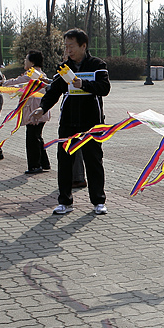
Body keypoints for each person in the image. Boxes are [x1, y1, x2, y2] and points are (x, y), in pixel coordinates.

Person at [41, 28, 111, 216]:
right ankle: (65, 202)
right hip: (68, 122)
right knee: (65, 163)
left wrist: (84, 84)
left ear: (83, 46)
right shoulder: (64, 68)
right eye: (66, 46)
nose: (68, 50)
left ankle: (98, 201)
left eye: (71, 46)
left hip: (92, 123)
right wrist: (42, 108)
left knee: (93, 162)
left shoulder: (97, 65)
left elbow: (104, 88)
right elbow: (54, 92)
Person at [2, 50, 52, 174]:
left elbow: (15, 83)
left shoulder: (32, 74)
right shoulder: (41, 74)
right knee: (37, 137)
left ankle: (35, 166)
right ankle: (44, 163)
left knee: (32, 139)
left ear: (32, 62)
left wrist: (3, 82)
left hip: (33, 112)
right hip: (40, 111)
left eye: (26, 59)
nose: (25, 61)